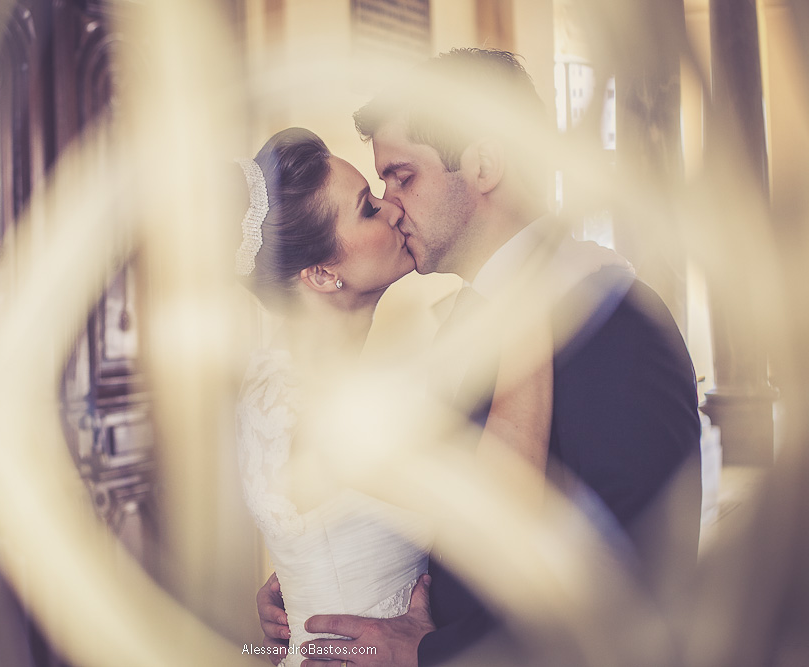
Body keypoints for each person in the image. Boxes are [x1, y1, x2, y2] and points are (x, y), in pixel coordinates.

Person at [256, 49, 702, 666]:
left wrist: (435, 652)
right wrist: (312, 585)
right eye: (380, 186)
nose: (391, 204)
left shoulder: (616, 320)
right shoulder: (462, 324)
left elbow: (638, 585)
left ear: (485, 165)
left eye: (402, 176)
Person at [235, 127, 554, 667]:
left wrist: (302, 579)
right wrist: (529, 298)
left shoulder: (279, 378)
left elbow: (324, 521)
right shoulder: (327, 404)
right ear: (319, 273)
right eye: (366, 209)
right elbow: (502, 502)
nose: (392, 208)